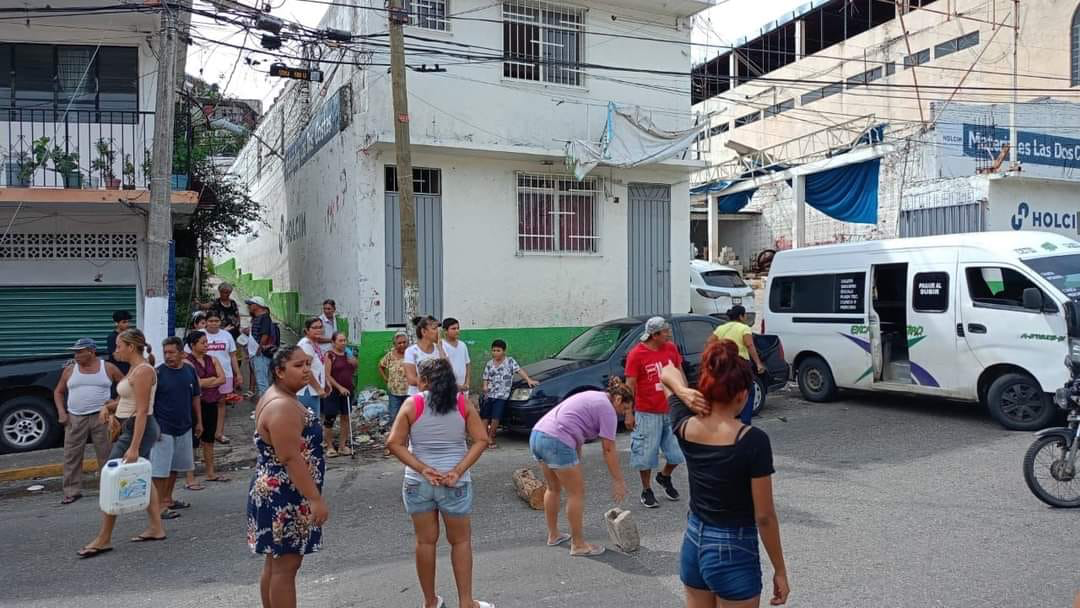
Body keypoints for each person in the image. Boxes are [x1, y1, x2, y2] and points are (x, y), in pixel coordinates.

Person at [660, 340, 789, 607]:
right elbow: (764, 516)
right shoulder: (752, 440)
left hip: (694, 540)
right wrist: (780, 570)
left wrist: (683, 392)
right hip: (733, 548)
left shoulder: (685, 425)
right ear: (742, 394)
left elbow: (666, 373)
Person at [387, 358, 492, 608]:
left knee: (425, 542)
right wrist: (457, 470)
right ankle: (466, 602)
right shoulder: (463, 403)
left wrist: (423, 469)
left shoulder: (413, 404)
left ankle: (430, 602)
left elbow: (393, 443)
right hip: (454, 483)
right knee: (461, 541)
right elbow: (481, 439)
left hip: (418, 483)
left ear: (423, 380)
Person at [248, 346, 329, 608]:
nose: (306, 370)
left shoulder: (281, 397)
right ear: (278, 371)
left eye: (307, 363)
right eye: (298, 365)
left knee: (276, 562)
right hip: (285, 492)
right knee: (286, 567)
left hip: (280, 488)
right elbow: (290, 457)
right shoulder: (283, 405)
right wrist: (314, 498)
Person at [79, 329, 164, 558]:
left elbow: (143, 410)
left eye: (118, 345)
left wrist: (134, 446)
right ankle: (156, 527)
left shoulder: (144, 371)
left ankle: (104, 538)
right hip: (129, 425)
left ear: (131, 347)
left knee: (110, 477)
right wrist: (108, 407)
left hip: (139, 428)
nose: (115, 349)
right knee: (143, 476)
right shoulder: (134, 370)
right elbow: (127, 400)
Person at [529, 379, 633, 557]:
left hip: (538, 435)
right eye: (625, 409)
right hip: (556, 440)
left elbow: (574, 425)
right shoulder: (608, 410)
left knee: (553, 488)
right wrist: (618, 480)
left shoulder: (593, 396)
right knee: (576, 494)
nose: (624, 414)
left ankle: (553, 535)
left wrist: (575, 458)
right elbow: (608, 449)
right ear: (617, 400)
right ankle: (578, 544)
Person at [53, 338, 125, 505]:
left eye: (80, 351)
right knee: (72, 455)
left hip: (102, 417)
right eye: (75, 351)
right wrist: (62, 413)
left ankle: (109, 489)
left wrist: (115, 403)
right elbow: (58, 392)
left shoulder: (107, 368)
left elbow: (125, 386)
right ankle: (72, 491)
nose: (76, 355)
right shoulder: (70, 370)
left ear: (91, 352)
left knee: (106, 454)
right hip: (75, 417)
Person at [624, 316, 686, 509]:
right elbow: (630, 385)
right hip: (647, 412)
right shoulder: (636, 354)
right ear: (654, 334)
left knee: (677, 454)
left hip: (671, 410)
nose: (669, 334)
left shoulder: (671, 349)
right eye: (665, 331)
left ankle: (664, 476)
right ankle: (646, 489)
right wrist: (628, 412)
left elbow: (679, 371)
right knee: (646, 455)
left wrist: (684, 396)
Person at [150, 337, 202, 519]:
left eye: (172, 352)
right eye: (165, 352)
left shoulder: (189, 371)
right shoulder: (157, 374)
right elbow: (149, 403)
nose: (168, 356)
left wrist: (199, 421)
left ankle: (168, 499)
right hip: (163, 428)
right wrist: (153, 426)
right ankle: (157, 506)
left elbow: (195, 397)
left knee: (175, 467)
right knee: (160, 469)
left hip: (185, 426)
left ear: (182, 353)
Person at [712, 305, 767, 425]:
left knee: (729, 391)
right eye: (745, 314)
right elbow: (750, 345)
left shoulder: (720, 329)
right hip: (741, 365)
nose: (746, 316)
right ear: (741, 316)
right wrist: (758, 363)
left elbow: (711, 345)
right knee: (748, 392)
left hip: (725, 364)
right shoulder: (744, 328)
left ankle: (727, 420)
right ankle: (745, 422)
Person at [187, 331, 228, 483]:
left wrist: (207, 381)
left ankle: (211, 472)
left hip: (211, 402)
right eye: (202, 343)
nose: (206, 345)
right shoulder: (187, 361)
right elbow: (196, 383)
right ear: (193, 345)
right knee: (193, 440)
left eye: (207, 343)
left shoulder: (213, 359)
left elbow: (222, 379)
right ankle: (190, 476)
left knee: (209, 439)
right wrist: (212, 380)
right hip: (194, 403)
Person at [481, 339, 537, 449]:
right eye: (493, 350)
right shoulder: (489, 364)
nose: (495, 353)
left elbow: (519, 370)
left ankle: (491, 437)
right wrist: (485, 386)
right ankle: (483, 439)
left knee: (496, 418)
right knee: (485, 416)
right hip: (489, 395)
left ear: (504, 351)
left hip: (502, 396)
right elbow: (485, 377)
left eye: (498, 350)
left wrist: (528, 380)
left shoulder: (510, 362)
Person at [204, 311, 243, 443]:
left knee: (221, 403)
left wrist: (238, 373)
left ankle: (219, 433)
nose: (214, 324)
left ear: (220, 322)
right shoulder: (200, 335)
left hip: (225, 374)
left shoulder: (227, 335)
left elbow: (232, 356)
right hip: (205, 376)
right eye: (211, 321)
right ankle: (203, 431)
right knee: (204, 403)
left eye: (216, 321)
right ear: (206, 322)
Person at [324, 331, 358, 457]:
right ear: (333, 342)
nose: (343, 343)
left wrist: (354, 361)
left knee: (345, 417)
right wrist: (339, 387)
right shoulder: (330, 355)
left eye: (344, 340)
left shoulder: (348, 354)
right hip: (333, 391)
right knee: (330, 418)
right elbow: (327, 375)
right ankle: (330, 446)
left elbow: (354, 368)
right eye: (340, 341)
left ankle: (342, 446)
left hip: (348, 390)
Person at [296, 317, 328, 421]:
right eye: (314, 328)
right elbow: (306, 370)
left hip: (312, 390)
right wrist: (319, 389)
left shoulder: (314, 343)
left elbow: (318, 368)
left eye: (320, 327)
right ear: (307, 330)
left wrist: (325, 383)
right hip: (307, 391)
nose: (318, 330)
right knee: (310, 424)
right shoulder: (306, 345)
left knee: (312, 423)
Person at [404, 316, 442, 396]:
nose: (438, 332)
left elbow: (448, 371)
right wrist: (436, 383)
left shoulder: (440, 349)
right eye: (434, 329)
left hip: (437, 397)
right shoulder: (411, 351)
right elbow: (411, 379)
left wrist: (440, 347)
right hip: (417, 397)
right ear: (424, 332)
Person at [246, 296, 276, 398]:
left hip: (260, 354)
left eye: (250, 304)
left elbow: (265, 334)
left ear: (257, 305)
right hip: (256, 353)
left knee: (262, 382)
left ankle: (265, 408)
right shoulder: (257, 318)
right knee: (261, 381)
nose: (248, 306)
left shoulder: (264, 318)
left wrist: (259, 349)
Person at [380, 331, 411, 421]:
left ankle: (409, 434)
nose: (402, 345)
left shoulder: (412, 354)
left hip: (409, 392)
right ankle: (397, 433)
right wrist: (386, 378)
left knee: (409, 416)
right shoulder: (390, 355)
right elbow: (381, 366)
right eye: (399, 343)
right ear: (394, 344)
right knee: (394, 416)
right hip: (394, 392)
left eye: (404, 342)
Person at [440, 317, 471, 395]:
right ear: (445, 331)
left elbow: (467, 364)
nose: (457, 331)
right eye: (453, 329)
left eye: (458, 328)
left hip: (463, 389)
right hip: (448, 389)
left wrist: (467, 383)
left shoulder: (463, 345)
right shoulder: (441, 346)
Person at [106, 310, 133, 375]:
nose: (127, 324)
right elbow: (115, 356)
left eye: (128, 322)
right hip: (119, 371)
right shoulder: (112, 337)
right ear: (116, 323)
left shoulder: (130, 335)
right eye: (124, 322)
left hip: (130, 370)